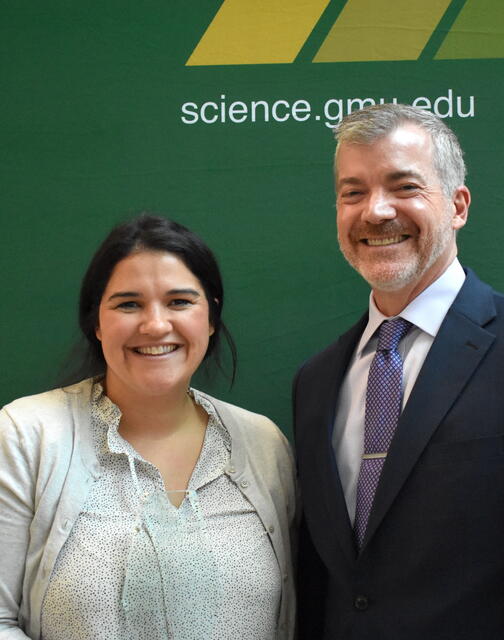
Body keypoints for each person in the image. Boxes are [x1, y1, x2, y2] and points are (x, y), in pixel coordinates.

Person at [293, 104, 504, 639]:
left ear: (458, 206)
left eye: (403, 186)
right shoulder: (315, 383)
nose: (376, 211)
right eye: (352, 192)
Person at [0, 214, 296, 640]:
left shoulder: (264, 445)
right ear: (96, 323)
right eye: (128, 304)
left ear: (211, 318)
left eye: (179, 302)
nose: (156, 325)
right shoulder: (27, 435)